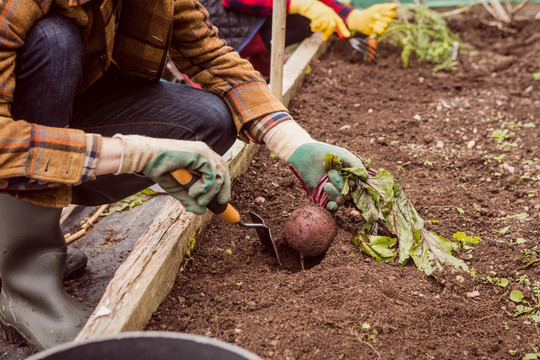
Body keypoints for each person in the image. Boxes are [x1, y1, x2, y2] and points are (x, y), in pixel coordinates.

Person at [0, 0, 370, 352]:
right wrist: (135, 152)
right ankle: (24, 274)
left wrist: (294, 144)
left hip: (73, 98)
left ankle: (45, 237)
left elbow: (207, 50)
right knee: (53, 40)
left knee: (210, 119)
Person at [198, 0, 397, 76]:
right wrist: (295, 4)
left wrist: (351, 16)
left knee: (308, 16)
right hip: (213, 26)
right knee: (305, 19)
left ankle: (267, 67)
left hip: (250, 25)